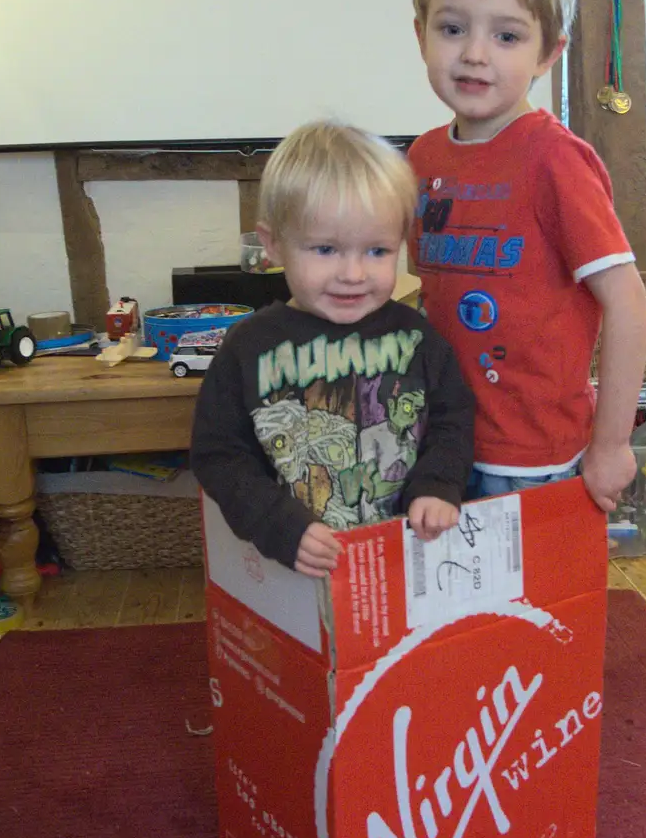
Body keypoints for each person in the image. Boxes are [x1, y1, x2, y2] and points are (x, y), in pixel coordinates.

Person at [408, 0, 646, 511]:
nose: (474, 54)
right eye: (453, 28)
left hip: (532, 460)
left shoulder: (555, 161)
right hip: (437, 446)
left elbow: (625, 299)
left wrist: (612, 443)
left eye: (507, 35)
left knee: (533, 607)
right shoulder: (423, 158)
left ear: (548, 53)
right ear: (421, 33)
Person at [190, 120, 475, 577]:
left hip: (405, 556)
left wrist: (438, 486)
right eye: (325, 249)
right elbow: (219, 455)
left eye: (378, 251)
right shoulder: (248, 348)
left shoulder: (420, 338)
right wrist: (277, 525)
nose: (354, 273)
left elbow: (453, 420)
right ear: (273, 245)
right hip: (293, 565)